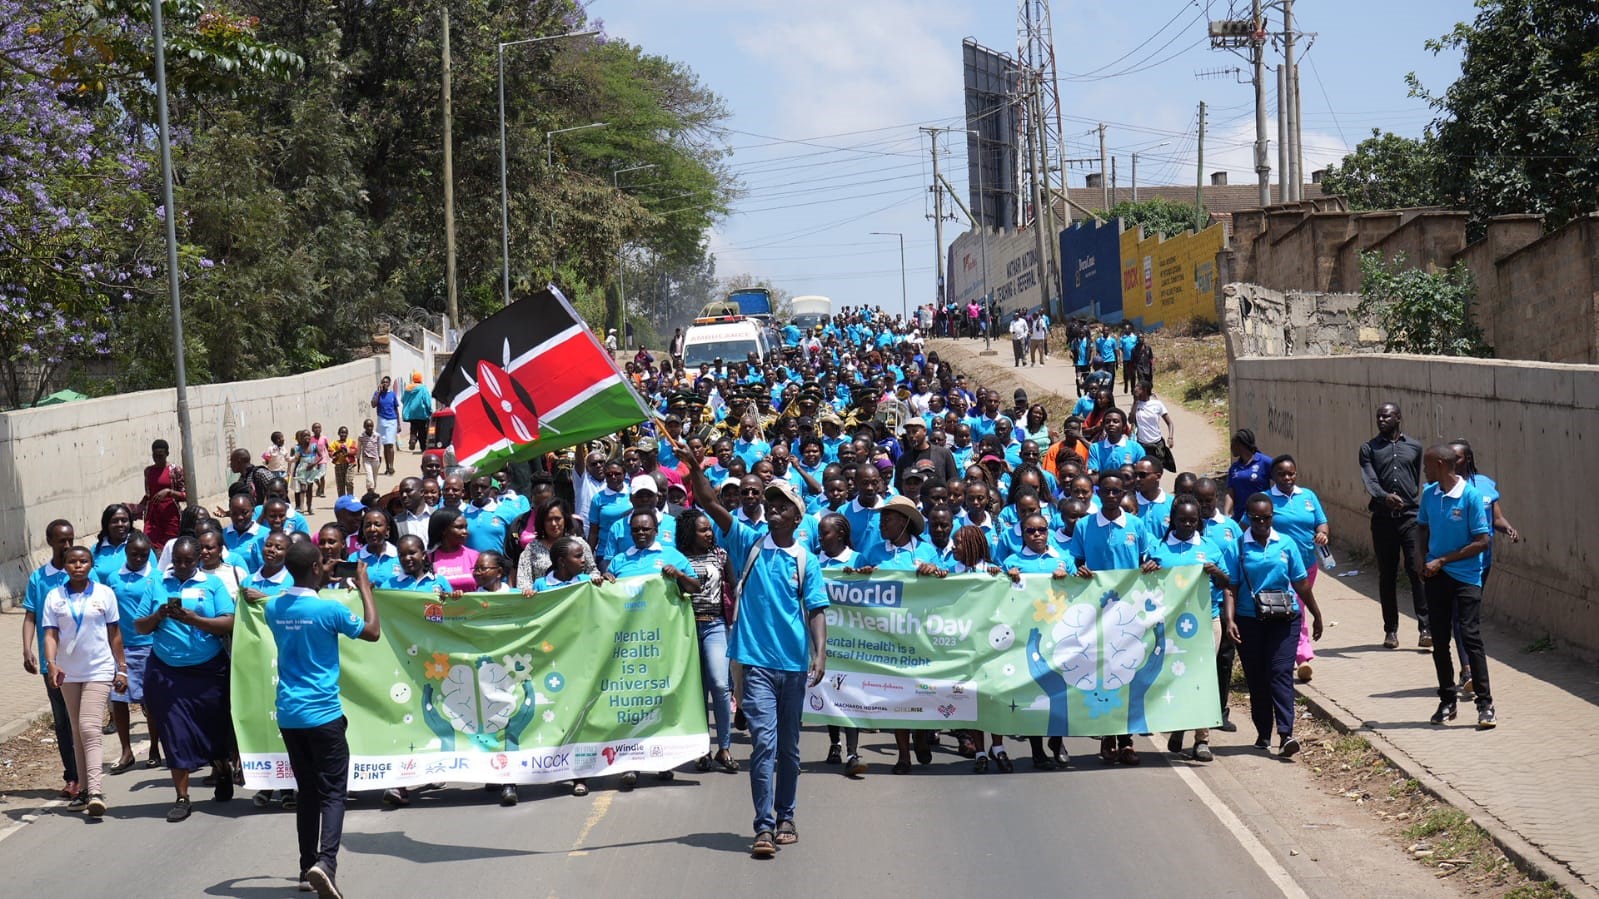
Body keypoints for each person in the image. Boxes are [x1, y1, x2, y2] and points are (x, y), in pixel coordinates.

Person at [673, 430, 827, 859]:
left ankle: (786, 816)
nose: (772, 509)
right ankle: (762, 826)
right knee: (764, 744)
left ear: (796, 517)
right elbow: (709, 503)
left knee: (790, 748)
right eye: (769, 503)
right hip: (754, 662)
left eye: (781, 505)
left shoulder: (805, 560)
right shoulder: (746, 541)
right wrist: (693, 464)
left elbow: (816, 609)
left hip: (794, 665)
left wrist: (820, 653)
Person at [259, 539, 381, 898]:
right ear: (315, 568)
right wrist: (363, 587)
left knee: (307, 792)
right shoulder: (330, 612)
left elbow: (283, 597)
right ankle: (325, 863)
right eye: (323, 564)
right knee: (333, 794)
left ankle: (304, 867)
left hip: (290, 716)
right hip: (323, 715)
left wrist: (314, 577)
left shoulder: (274, 609)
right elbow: (372, 631)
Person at [135, 536, 237, 822]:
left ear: (198, 560)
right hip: (166, 672)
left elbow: (228, 621)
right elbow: (140, 626)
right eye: (177, 560)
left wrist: (195, 620)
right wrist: (159, 615)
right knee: (174, 731)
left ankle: (222, 766)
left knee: (213, 728)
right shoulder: (157, 582)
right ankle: (182, 796)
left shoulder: (212, 583)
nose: (181, 566)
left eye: (188, 561)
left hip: (208, 670)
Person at [1226, 493, 1323, 758]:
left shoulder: (1286, 543)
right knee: (1257, 678)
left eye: (1266, 517)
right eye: (1255, 518)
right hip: (1249, 620)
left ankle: (1286, 734)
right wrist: (1230, 620)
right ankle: (1262, 731)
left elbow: (1301, 582)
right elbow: (1231, 588)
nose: (1261, 523)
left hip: (1284, 618)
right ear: (1247, 517)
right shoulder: (1237, 547)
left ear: (1272, 517)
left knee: (1280, 672)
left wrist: (1316, 613)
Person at [41, 545, 128, 817]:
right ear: (64, 566)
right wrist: (51, 663)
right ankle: (83, 790)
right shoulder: (54, 597)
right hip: (68, 672)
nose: (78, 566)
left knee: (89, 727)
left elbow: (114, 633)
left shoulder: (105, 594)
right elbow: (50, 635)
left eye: (83, 561)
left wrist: (121, 668)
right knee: (77, 731)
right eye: (72, 562)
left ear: (91, 565)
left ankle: (96, 791)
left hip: (99, 669)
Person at [1417, 444, 1495, 729]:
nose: (1423, 470)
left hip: (1465, 576)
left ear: (1439, 464)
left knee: (1471, 636)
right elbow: (1421, 527)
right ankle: (1447, 699)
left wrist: (1443, 560)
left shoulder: (1471, 496)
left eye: (1426, 465)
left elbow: (1482, 541)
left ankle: (1485, 704)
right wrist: (1420, 559)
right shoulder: (1429, 494)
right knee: (1439, 639)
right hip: (1436, 577)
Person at [1150, 497, 1231, 762]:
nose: (1187, 525)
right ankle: (1177, 725)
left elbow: (1228, 583)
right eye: (1182, 520)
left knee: (1201, 677)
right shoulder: (1158, 549)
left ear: (1199, 521)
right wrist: (1148, 569)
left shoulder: (1210, 548)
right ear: (1173, 519)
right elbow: (1145, 586)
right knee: (1177, 676)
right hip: (1170, 624)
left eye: (1192, 521)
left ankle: (1202, 739)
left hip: (1207, 621)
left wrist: (1216, 571)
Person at [1358, 403, 1429, 649]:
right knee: (1387, 575)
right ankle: (1391, 630)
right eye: (1378, 416)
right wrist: (1384, 497)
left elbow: (1416, 476)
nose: (1381, 419)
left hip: (1410, 517)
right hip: (1383, 519)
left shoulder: (1415, 446)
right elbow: (1369, 479)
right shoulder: (1369, 448)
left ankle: (1425, 628)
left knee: (1416, 570)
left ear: (1398, 417)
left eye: (1386, 416)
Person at [678, 510, 739, 775]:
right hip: (687, 627)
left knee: (719, 683)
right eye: (703, 530)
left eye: (709, 529)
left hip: (715, 625)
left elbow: (734, 586)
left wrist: (734, 623)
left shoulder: (721, 555)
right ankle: (702, 750)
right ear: (690, 532)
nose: (709, 534)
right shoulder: (677, 558)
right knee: (697, 691)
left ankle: (724, 747)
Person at [21, 519, 78, 797]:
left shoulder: (80, 572)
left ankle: (87, 773)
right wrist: (27, 649)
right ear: (50, 542)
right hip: (52, 661)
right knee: (62, 720)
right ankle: (72, 776)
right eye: (61, 541)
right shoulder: (38, 578)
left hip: (82, 659)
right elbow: (30, 615)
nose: (66, 545)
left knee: (82, 719)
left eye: (70, 539)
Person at [1267, 455, 1329, 683]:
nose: (1287, 478)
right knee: (1297, 607)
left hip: (1308, 565)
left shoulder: (1308, 497)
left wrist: (1323, 533)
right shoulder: (1266, 500)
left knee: (1298, 606)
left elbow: (1321, 521)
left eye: (1291, 473)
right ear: (1273, 477)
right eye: (1281, 474)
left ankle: (1286, 652)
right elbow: (1247, 525)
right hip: (1281, 568)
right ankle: (1302, 657)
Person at [136, 439, 187, 550]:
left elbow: (186, 495)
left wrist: (169, 492)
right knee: (149, 545)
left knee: (171, 546)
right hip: (153, 516)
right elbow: (149, 495)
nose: (157, 459)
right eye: (155, 456)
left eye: (160, 456)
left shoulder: (175, 470)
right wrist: (139, 508)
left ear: (167, 454)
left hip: (171, 516)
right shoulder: (148, 471)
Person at [427, 508, 478, 592]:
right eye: (459, 527)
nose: (465, 531)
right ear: (443, 530)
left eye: (466, 527)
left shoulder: (474, 556)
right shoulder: (429, 559)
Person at [1131, 383, 1176, 473]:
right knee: (1142, 470)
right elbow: (1130, 420)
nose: (1135, 390)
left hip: (1157, 445)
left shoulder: (1157, 404)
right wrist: (1135, 403)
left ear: (1145, 390)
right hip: (1142, 445)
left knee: (1156, 471)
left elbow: (1170, 423)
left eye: (1138, 389)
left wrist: (1170, 437)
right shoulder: (1137, 405)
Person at [371, 375, 401, 476]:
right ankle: (387, 467)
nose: (385, 384)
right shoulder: (377, 394)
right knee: (385, 445)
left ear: (389, 384)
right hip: (382, 421)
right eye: (383, 382)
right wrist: (379, 393)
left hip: (392, 421)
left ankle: (391, 466)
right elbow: (373, 404)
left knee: (390, 444)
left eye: (387, 382)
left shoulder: (392, 395)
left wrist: (399, 424)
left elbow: (396, 409)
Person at [402, 371, 433, 453]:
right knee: (422, 431)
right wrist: (430, 410)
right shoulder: (423, 388)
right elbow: (427, 401)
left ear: (413, 379)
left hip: (411, 414)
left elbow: (403, 399)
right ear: (420, 379)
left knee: (413, 429)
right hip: (422, 413)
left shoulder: (408, 388)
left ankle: (413, 439)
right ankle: (423, 448)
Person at [329, 426, 358, 498]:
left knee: (349, 481)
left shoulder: (351, 442)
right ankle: (342, 501)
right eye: (342, 432)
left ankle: (350, 498)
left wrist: (346, 450)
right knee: (340, 485)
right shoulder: (334, 443)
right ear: (338, 433)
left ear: (347, 434)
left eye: (345, 433)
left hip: (349, 464)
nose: (343, 434)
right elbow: (331, 453)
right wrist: (339, 451)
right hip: (339, 465)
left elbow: (354, 451)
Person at [357, 419, 382, 492]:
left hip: (375, 460)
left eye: (371, 426)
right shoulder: (361, 436)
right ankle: (369, 492)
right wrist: (358, 460)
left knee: (374, 478)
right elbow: (359, 449)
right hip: (366, 460)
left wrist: (380, 457)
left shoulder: (377, 435)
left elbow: (380, 447)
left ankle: (373, 492)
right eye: (367, 426)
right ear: (364, 427)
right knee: (369, 476)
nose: (369, 428)